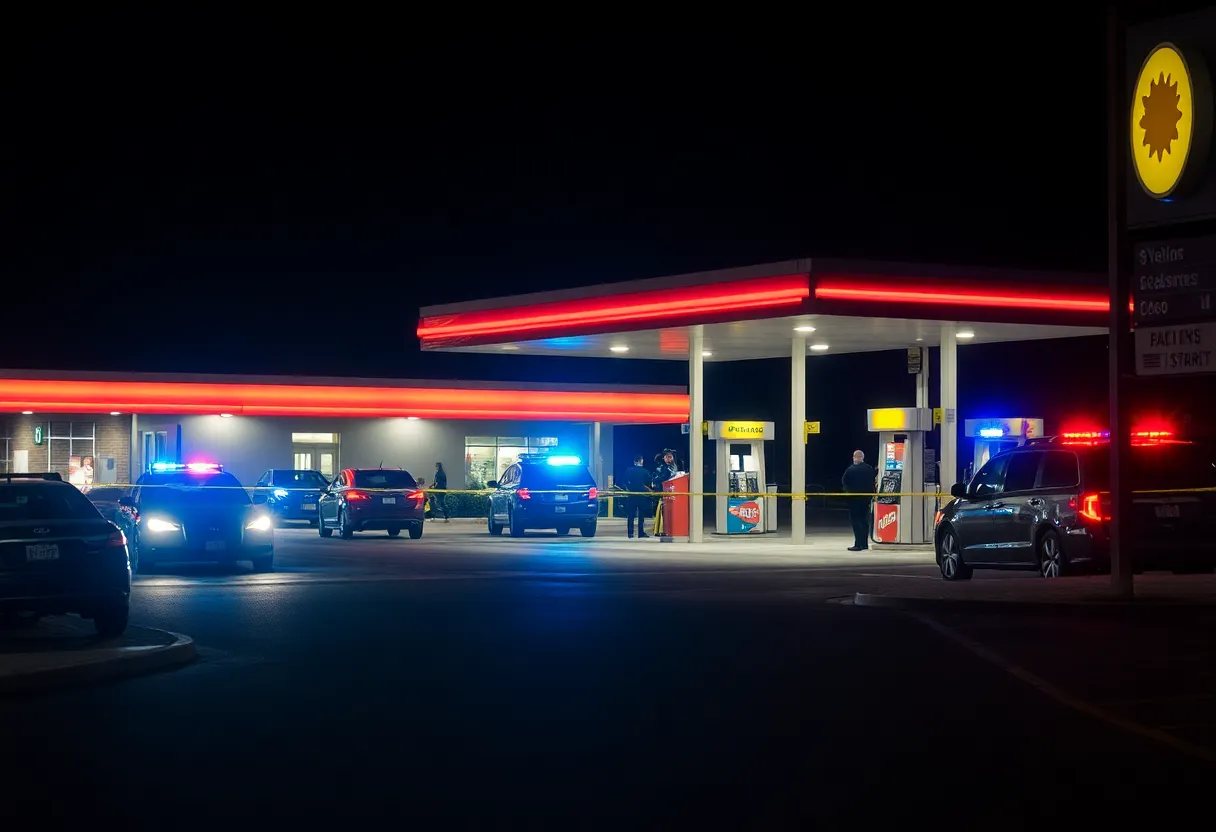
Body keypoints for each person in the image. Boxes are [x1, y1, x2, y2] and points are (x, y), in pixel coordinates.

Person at [841, 449, 876, 552]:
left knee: (856, 521)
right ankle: (864, 544)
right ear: (862, 458)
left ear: (855, 458)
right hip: (866, 499)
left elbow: (844, 481)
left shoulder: (850, 469)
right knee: (864, 521)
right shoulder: (869, 469)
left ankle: (858, 544)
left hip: (854, 499)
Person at [622, 454, 651, 539]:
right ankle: (640, 533)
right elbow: (649, 481)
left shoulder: (629, 470)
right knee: (641, 515)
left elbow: (624, 481)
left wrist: (629, 488)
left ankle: (630, 533)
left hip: (631, 494)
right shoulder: (645, 471)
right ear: (640, 461)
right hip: (641, 495)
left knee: (630, 515)